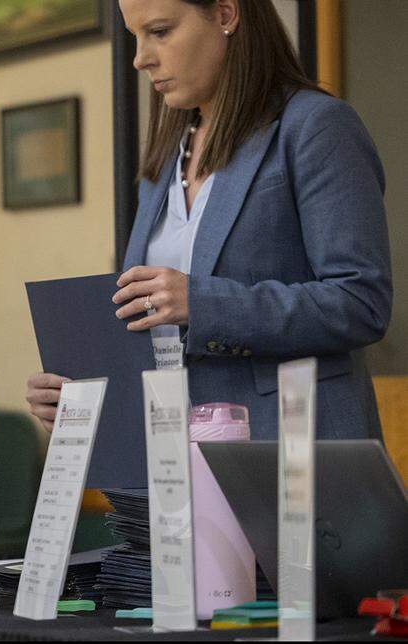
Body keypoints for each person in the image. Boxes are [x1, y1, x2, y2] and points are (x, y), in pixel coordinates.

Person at [27, 0, 390, 439]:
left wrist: (202, 304)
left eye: (160, 31)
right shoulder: (164, 159)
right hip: (177, 466)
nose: (141, 58)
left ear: (225, 14)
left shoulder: (317, 127)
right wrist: (82, 393)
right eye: (135, 36)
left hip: (296, 453)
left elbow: (360, 302)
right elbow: (149, 327)